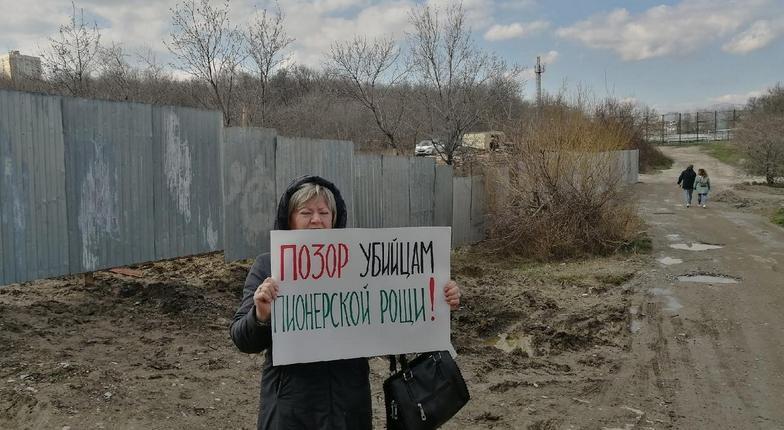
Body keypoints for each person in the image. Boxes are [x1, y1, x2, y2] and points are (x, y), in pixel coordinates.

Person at [229, 175, 462, 430]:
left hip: (349, 407)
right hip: (290, 409)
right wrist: (261, 315)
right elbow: (242, 338)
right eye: (306, 212)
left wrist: (437, 303)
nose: (316, 220)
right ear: (290, 219)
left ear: (334, 219)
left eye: (323, 212)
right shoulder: (268, 265)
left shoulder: (357, 265)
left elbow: (388, 323)